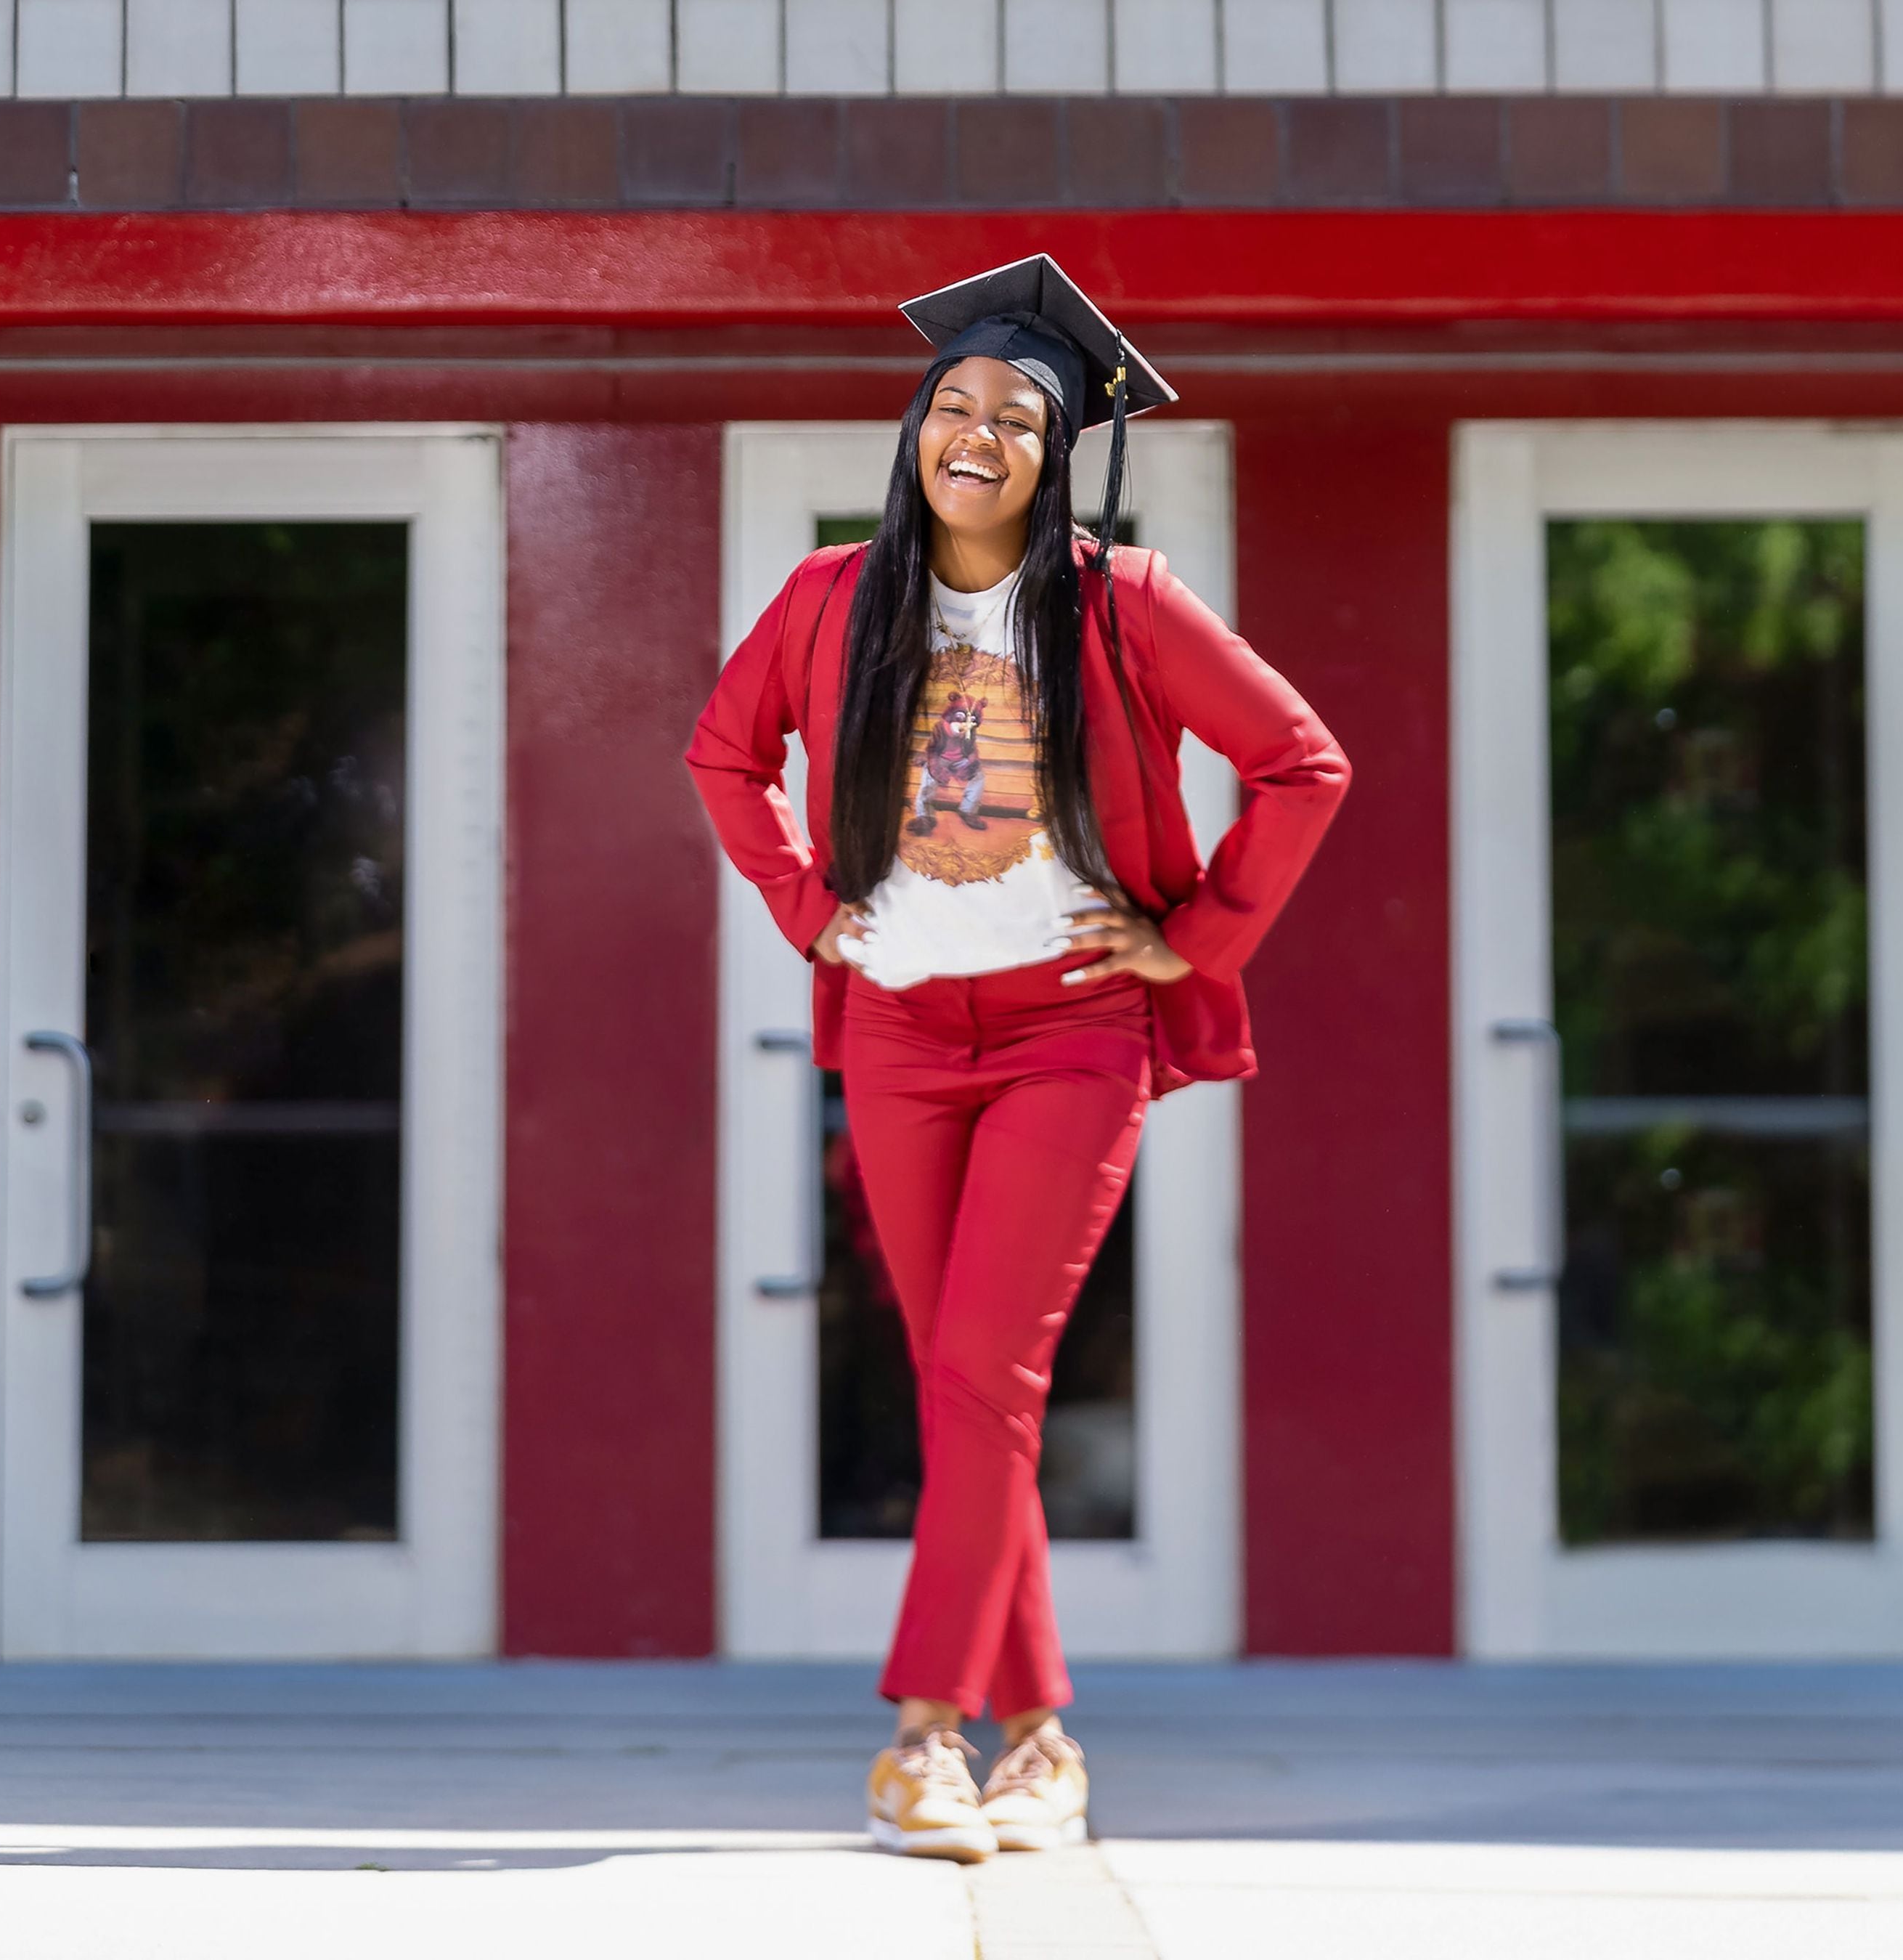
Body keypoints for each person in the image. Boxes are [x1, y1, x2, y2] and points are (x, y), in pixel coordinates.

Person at [685, 256, 1351, 1863]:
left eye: (1016, 417)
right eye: (952, 406)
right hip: (906, 1033)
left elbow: (1300, 762)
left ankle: (926, 1738)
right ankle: (1044, 1738)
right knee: (970, 1389)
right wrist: (804, 905)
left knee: (986, 1376)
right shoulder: (836, 598)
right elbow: (724, 750)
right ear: (917, 428)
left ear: (1061, 457)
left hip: (1070, 1032)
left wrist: (1197, 940)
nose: (973, 433)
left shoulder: (1123, 605)